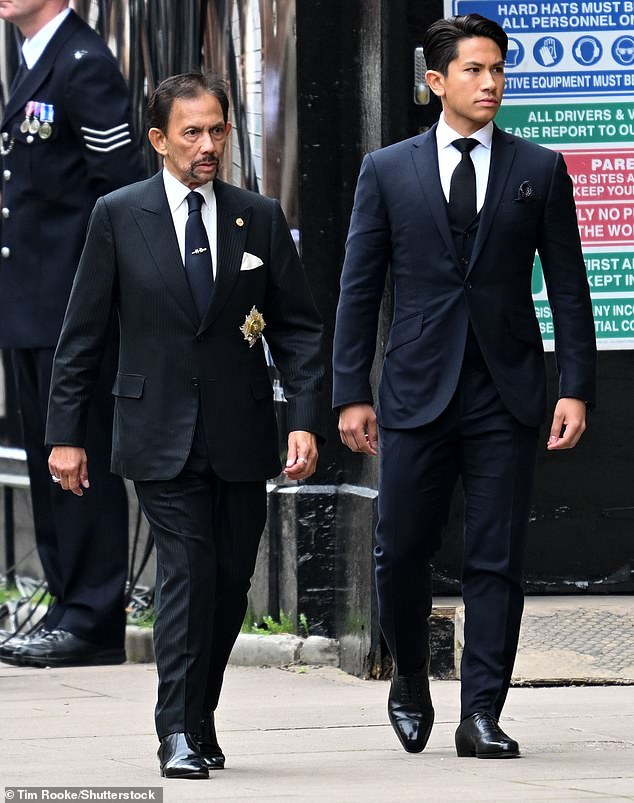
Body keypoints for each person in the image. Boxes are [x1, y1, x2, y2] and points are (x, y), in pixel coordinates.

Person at [45, 72, 324, 779]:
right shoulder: (118, 213)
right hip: (155, 428)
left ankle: (199, 714)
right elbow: (81, 334)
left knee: (230, 582)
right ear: (159, 138)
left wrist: (305, 417)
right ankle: (174, 729)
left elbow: (297, 326)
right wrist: (65, 432)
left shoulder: (256, 215)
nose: (208, 145)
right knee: (189, 573)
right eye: (192, 132)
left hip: (241, 429)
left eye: (218, 130)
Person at [333, 13, 596, 759]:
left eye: (498, 69)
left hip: (507, 392)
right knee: (401, 547)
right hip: (415, 389)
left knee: (496, 556)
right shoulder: (387, 169)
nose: (490, 83)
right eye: (475, 70)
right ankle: (411, 675)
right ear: (435, 81)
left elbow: (570, 291)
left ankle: (481, 709)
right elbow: (359, 288)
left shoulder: (538, 169)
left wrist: (574, 386)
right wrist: (351, 389)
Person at [0, 0, 144, 667]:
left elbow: (115, 190)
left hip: (71, 305)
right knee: (46, 458)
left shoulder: (84, 64)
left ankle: (93, 616)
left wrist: (101, 297)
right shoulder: (32, 60)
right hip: (29, 302)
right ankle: (67, 604)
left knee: (77, 454)